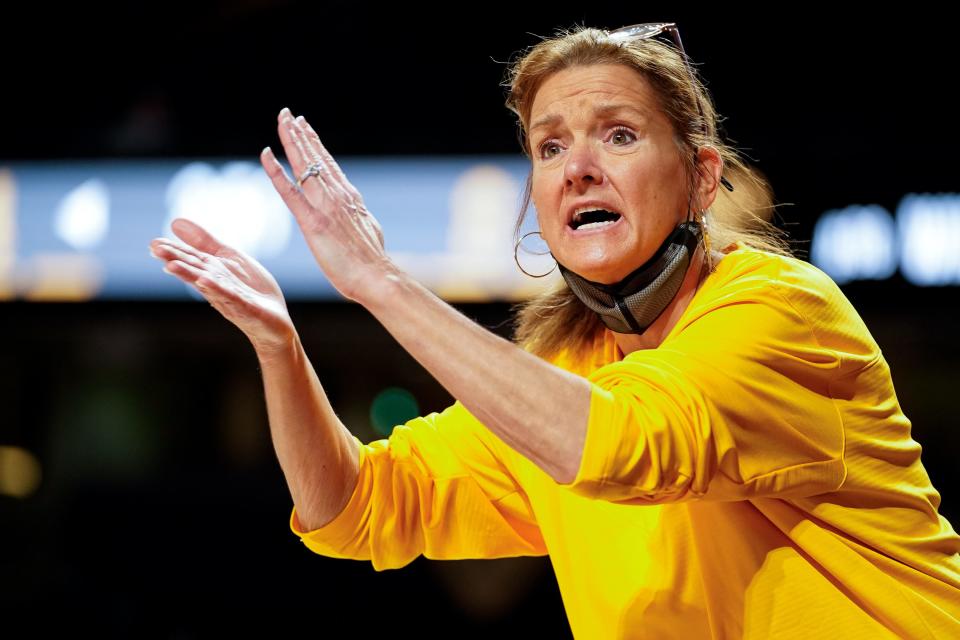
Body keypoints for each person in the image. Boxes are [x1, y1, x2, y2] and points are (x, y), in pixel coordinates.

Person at [149, 23, 960, 639]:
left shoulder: (782, 312)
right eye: (550, 145)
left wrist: (382, 286)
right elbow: (353, 508)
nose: (578, 167)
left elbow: (619, 445)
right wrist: (279, 349)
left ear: (702, 177)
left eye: (618, 134)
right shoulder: (563, 369)